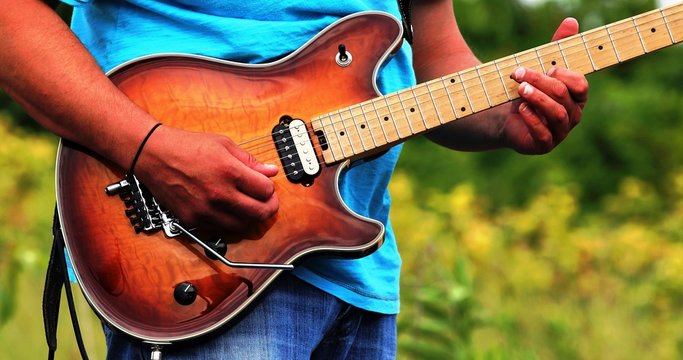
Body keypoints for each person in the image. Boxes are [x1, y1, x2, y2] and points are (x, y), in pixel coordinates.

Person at [0, 0, 588, 359]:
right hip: (196, 257)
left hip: (356, 273)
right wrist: (151, 150)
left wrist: (507, 111)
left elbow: (438, 57)